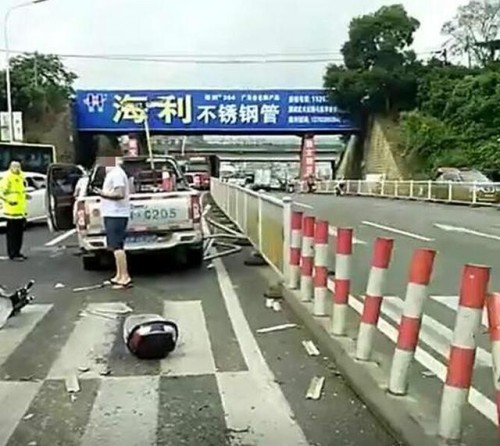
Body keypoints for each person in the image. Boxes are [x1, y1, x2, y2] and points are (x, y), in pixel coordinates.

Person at [93, 159, 133, 289]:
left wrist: (102, 193)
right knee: (115, 246)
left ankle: (125, 277)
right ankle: (119, 275)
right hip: (113, 214)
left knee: (117, 247)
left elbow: (119, 193)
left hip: (116, 214)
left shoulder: (116, 174)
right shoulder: (114, 173)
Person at [0, 160, 31, 261]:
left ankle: (18, 252)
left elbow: (20, 192)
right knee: (12, 234)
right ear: (10, 167)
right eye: (14, 167)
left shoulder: (21, 177)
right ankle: (12, 254)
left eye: (18, 166)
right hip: (11, 211)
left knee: (19, 234)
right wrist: (9, 200)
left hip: (20, 210)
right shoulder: (7, 178)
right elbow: (2, 192)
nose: (16, 168)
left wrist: (26, 195)